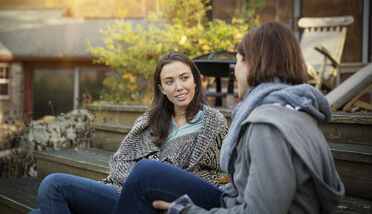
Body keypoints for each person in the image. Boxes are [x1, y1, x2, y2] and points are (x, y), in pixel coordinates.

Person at [112, 21, 345, 214]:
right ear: (161, 88)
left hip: (232, 206)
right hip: (231, 201)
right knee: (142, 172)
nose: (234, 70)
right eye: (169, 81)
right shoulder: (296, 113)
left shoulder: (269, 127)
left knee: (146, 173)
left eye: (238, 60)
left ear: (255, 64)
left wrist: (185, 211)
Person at [29, 51, 228, 214]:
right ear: (161, 88)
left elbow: (217, 176)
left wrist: (159, 182)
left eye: (184, 78)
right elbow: (119, 162)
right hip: (119, 191)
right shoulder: (148, 121)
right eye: (169, 82)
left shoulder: (212, 122)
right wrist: (139, 179)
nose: (179, 87)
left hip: (155, 200)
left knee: (53, 185)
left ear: (195, 80)